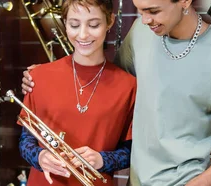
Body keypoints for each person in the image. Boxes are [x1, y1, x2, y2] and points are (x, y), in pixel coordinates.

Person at [21, 0, 211, 185]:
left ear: (185, 1)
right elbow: (106, 82)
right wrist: (41, 78)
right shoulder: (142, 31)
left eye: (153, 11)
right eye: (139, 10)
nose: (145, 19)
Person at [16, 0, 136, 185]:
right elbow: (26, 141)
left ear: (110, 21)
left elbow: (132, 152)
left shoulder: (129, 86)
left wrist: (102, 160)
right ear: (64, 23)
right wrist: (40, 157)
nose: (83, 34)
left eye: (94, 24)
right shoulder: (38, 77)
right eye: (74, 24)